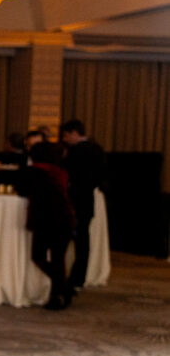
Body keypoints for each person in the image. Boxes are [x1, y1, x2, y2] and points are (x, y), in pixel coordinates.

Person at [17, 142, 76, 310]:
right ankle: (60, 293)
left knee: (38, 256)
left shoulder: (34, 171)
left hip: (45, 219)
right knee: (58, 258)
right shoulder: (60, 171)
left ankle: (61, 291)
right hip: (64, 218)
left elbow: (21, 190)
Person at [60, 119, 107, 290]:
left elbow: (66, 175)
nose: (64, 139)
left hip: (74, 201)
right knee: (83, 241)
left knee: (69, 240)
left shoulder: (74, 152)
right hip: (87, 201)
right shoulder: (97, 149)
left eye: (66, 135)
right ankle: (79, 278)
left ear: (74, 133)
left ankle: (67, 277)